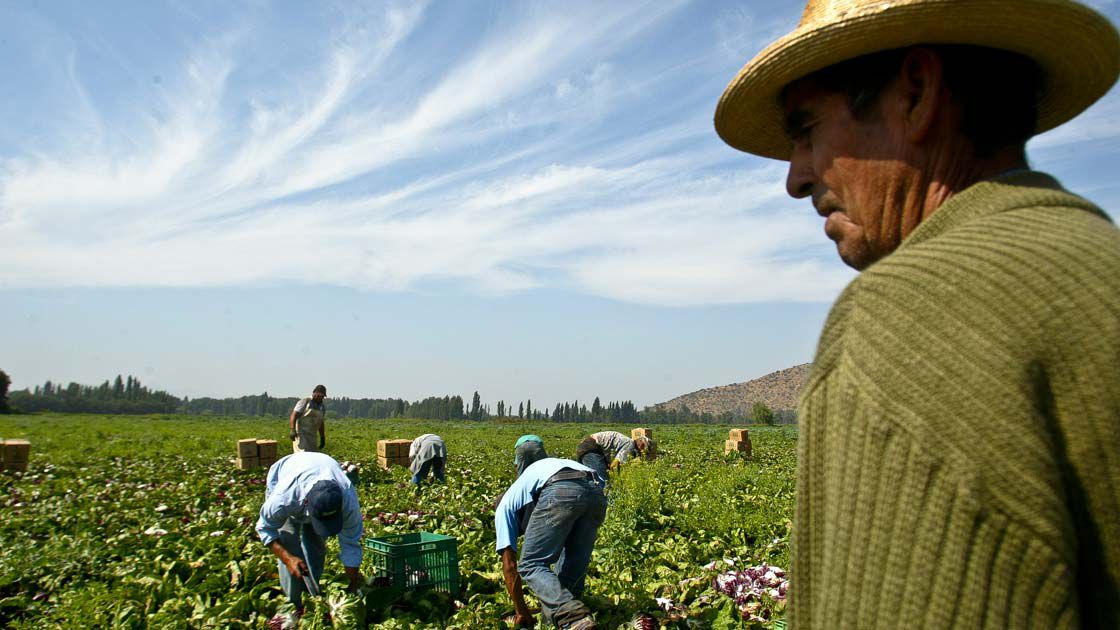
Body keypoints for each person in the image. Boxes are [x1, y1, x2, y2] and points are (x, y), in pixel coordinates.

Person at [714, 1, 1120, 627]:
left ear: (916, 93)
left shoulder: (913, 311)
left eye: (806, 130)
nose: (795, 178)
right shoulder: (1097, 264)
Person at [495, 457, 606, 630]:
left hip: (560, 488)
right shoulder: (525, 491)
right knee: (574, 561)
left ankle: (573, 615)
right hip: (596, 491)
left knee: (531, 564)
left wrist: (521, 611)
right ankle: (574, 622)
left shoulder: (504, 509)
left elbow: (510, 566)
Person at [255, 451, 364, 627]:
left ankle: (313, 593)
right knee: (288, 543)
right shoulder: (284, 498)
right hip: (287, 474)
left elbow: (351, 545)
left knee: (316, 546)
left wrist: (351, 589)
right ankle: (295, 604)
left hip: (320, 470)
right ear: (307, 505)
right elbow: (265, 528)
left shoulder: (348, 500)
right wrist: (288, 559)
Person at [581, 431, 654, 478]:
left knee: (589, 478)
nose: (642, 452)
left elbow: (611, 462)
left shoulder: (626, 441)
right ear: (641, 444)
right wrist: (617, 480)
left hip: (586, 447)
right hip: (591, 448)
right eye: (644, 449)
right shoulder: (630, 444)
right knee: (603, 482)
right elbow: (615, 465)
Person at [289, 385, 327, 453]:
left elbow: (321, 422)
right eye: (319, 396)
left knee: (312, 455)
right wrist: (292, 429)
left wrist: (322, 437)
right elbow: (293, 415)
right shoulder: (305, 401)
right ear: (314, 393)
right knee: (302, 454)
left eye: (322, 397)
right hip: (301, 434)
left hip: (312, 436)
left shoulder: (322, 407)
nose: (320, 398)